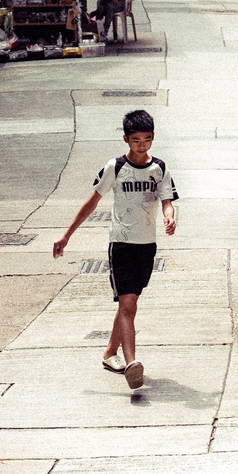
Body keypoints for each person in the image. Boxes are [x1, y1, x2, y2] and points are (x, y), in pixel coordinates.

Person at [54, 109, 177, 390]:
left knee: (128, 304)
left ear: (153, 137)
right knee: (128, 304)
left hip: (147, 245)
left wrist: (170, 215)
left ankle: (110, 352)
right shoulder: (116, 167)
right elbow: (92, 201)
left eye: (146, 139)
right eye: (135, 140)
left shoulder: (159, 168)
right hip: (121, 244)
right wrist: (66, 236)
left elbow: (167, 200)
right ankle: (132, 364)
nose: (141, 145)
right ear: (126, 139)